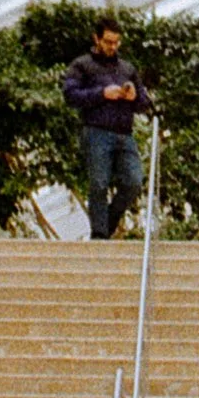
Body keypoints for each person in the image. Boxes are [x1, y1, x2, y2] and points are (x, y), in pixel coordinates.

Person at [62, 21, 147, 239]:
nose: (112, 46)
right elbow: (70, 95)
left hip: (124, 132)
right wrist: (101, 94)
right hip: (97, 131)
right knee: (98, 183)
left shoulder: (127, 68)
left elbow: (143, 102)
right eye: (108, 42)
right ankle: (99, 234)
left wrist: (135, 97)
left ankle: (106, 224)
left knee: (134, 181)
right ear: (96, 39)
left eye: (116, 42)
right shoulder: (82, 65)